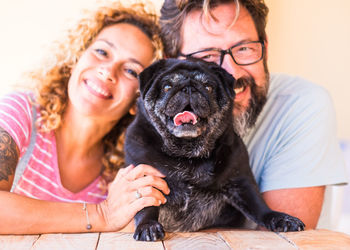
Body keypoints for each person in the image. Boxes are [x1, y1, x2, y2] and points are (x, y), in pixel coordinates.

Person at [159, 0, 348, 229]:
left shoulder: (301, 105)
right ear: (170, 63)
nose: (232, 72)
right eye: (206, 57)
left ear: (265, 48)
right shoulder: (154, 116)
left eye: (244, 48)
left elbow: (281, 243)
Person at [0, 0, 170, 234]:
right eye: (102, 52)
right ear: (76, 58)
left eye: (131, 70)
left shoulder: (121, 174)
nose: (108, 71)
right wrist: (102, 214)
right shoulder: (20, 112)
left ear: (139, 100)